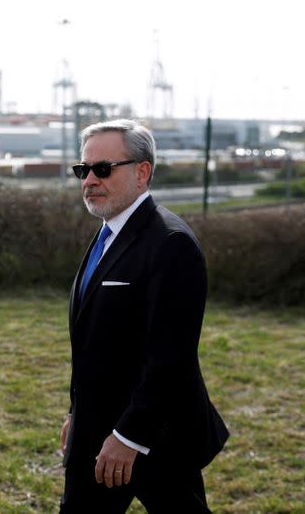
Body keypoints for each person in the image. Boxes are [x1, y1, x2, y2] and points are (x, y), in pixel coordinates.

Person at [59, 119, 229, 513]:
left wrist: (129, 436)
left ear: (142, 171)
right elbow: (92, 342)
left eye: (103, 169)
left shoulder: (171, 244)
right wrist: (77, 413)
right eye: (83, 170)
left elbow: (171, 358)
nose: (89, 180)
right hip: (96, 430)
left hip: (157, 437)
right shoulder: (107, 233)